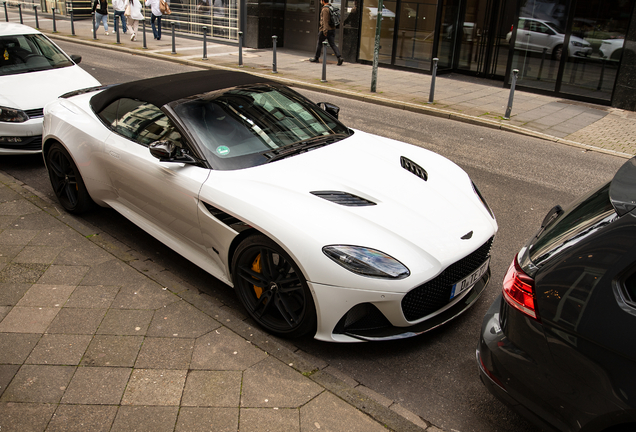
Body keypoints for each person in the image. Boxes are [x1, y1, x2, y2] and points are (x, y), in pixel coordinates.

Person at [309, 0, 343, 65]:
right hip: (332, 29)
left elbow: (325, 21)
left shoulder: (325, 9)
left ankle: (316, 58)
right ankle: (339, 57)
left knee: (319, 43)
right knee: (332, 44)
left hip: (325, 30)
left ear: (323, 1)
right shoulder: (331, 7)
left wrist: (325, 31)